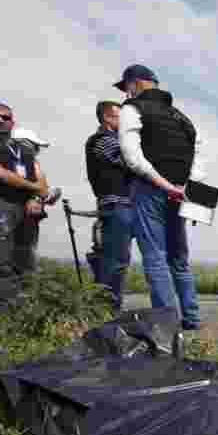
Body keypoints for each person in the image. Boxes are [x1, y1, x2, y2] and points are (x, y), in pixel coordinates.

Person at [116, 64, 205, 330]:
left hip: (151, 190)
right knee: (179, 257)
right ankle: (191, 318)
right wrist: (186, 189)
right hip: (182, 193)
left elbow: (132, 157)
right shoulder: (182, 117)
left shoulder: (131, 109)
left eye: (126, 87)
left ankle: (167, 324)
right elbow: (199, 159)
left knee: (155, 256)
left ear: (134, 84)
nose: (126, 93)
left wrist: (164, 185)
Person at [0, 101, 51, 310]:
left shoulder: (23, 148)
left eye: (5, 117)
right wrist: (34, 188)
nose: (0, 120)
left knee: (25, 262)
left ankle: (24, 316)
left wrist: (36, 197)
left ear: (13, 121)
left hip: (26, 210)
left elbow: (42, 179)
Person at [85, 101, 135, 312]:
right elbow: (132, 161)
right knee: (114, 262)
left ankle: (108, 309)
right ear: (107, 118)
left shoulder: (113, 139)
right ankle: (105, 311)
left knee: (118, 260)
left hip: (124, 206)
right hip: (116, 206)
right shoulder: (103, 140)